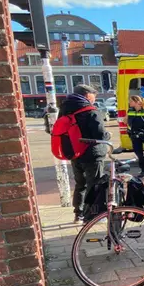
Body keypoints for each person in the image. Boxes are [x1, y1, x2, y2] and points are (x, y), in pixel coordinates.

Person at [58, 84, 110, 223]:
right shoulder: (91, 110)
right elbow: (99, 134)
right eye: (94, 96)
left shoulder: (64, 110)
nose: (94, 99)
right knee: (95, 184)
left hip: (74, 153)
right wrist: (107, 135)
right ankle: (92, 215)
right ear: (87, 95)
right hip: (92, 153)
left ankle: (78, 214)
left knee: (80, 184)